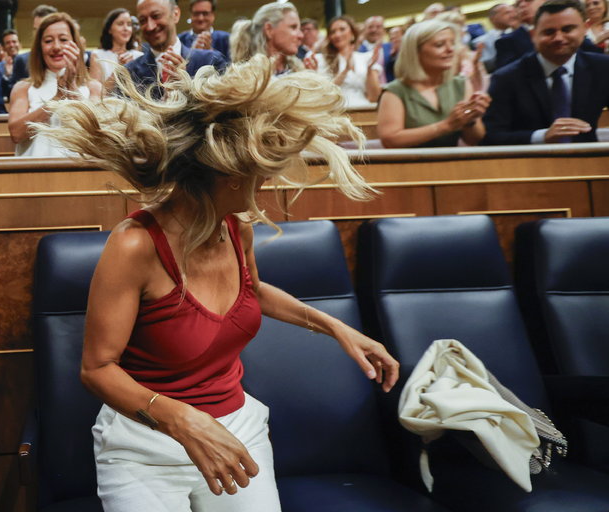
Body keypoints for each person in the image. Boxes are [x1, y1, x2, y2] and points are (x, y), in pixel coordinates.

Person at [33, 53, 399, 512]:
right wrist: (184, 421)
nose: (268, 180)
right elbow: (97, 369)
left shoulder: (235, 226)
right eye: (260, 170)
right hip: (145, 449)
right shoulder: (135, 245)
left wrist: (338, 328)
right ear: (226, 175)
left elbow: (253, 291)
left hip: (236, 430)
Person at [483, 0, 609, 144]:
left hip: (589, 160)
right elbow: (490, 136)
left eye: (567, 29)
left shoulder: (603, 68)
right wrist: (541, 137)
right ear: (533, 35)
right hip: (528, 162)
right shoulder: (506, 78)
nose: (559, 38)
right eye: (549, 32)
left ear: (585, 28)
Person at [377, 20, 490, 148]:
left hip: (452, 164)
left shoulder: (461, 84)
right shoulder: (395, 91)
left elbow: (474, 139)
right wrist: (445, 126)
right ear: (416, 52)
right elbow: (390, 140)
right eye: (439, 44)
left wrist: (471, 119)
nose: (450, 50)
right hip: (409, 166)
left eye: (452, 43)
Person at [8, 12, 102, 156]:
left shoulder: (93, 87)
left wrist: (73, 92)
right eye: (48, 41)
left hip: (83, 173)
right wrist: (57, 98)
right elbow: (16, 133)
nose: (56, 47)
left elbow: (99, 134)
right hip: (34, 173)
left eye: (63, 39)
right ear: (39, 48)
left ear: (75, 45)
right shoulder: (23, 88)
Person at [126, 0, 227, 98]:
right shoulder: (129, 73)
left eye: (156, 16)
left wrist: (188, 90)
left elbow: (227, 108)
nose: (150, 27)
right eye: (142, 20)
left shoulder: (211, 61)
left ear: (175, 14)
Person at [495, 0, 601, 69]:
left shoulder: (571, 25)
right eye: (518, 4)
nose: (522, 5)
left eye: (528, 0)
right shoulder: (506, 41)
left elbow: (595, 57)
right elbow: (508, 77)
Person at [315, 15, 382, 108]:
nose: (337, 35)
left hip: (364, 111)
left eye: (342, 29)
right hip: (336, 112)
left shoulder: (366, 58)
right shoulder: (321, 59)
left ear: (352, 34)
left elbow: (374, 97)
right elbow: (324, 94)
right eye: (333, 32)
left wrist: (370, 70)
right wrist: (345, 71)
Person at [230, 2, 314, 75]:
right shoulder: (245, 78)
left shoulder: (301, 71)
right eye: (293, 27)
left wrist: (312, 80)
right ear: (269, 29)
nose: (301, 35)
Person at [90, 8, 143, 90]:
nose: (126, 28)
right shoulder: (97, 55)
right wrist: (119, 69)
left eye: (129, 24)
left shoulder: (140, 56)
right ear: (110, 29)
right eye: (120, 24)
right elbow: (97, 93)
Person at [11, 4, 58, 87]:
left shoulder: (65, 58)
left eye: (42, 29)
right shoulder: (22, 61)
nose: (37, 34)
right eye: (35, 30)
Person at [472, 4, 518, 72]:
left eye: (514, 12)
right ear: (493, 18)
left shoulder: (523, 33)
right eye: (507, 13)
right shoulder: (480, 41)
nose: (513, 15)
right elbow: (484, 66)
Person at [0, 29, 21, 97]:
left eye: (14, 42)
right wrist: (7, 76)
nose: (11, 45)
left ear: (19, 44)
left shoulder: (29, 64)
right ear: (3, 47)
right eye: (8, 43)